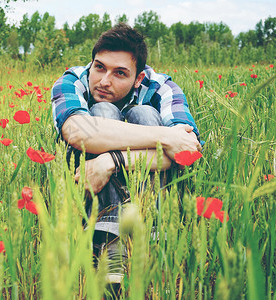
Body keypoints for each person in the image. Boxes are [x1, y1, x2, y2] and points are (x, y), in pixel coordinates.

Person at [51, 23, 201, 284]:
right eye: (99, 67)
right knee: (102, 111)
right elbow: (78, 133)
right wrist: (165, 137)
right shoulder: (72, 81)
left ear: (138, 78)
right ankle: (111, 244)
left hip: (116, 173)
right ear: (92, 63)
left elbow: (187, 150)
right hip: (85, 177)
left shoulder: (161, 87)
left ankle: (150, 235)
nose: (104, 81)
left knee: (144, 113)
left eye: (120, 73)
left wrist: (113, 160)